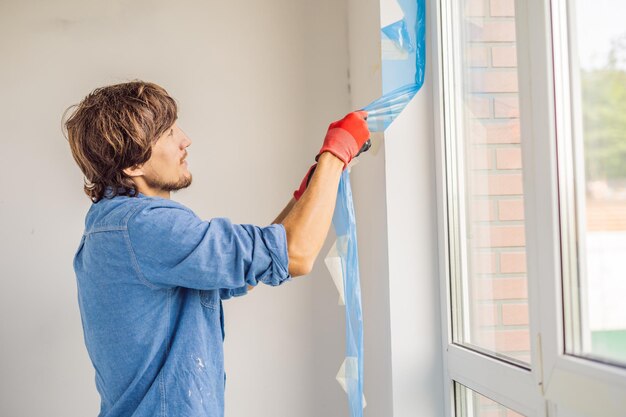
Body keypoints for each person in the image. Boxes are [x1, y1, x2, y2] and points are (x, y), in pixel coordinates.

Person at [64, 81, 370, 417]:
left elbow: (248, 268)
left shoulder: (115, 227)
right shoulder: (146, 226)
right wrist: (335, 153)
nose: (185, 140)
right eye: (167, 133)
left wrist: (305, 197)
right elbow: (296, 255)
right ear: (133, 166)